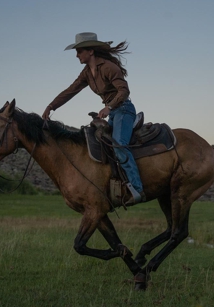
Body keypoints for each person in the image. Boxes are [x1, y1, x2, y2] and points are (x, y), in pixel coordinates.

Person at [42, 32, 145, 204]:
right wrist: (51, 106)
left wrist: (108, 106)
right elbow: (70, 90)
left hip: (123, 109)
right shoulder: (86, 73)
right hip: (113, 113)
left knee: (118, 145)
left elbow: (124, 91)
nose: (77, 55)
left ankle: (137, 188)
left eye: (79, 51)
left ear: (90, 51)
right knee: (101, 146)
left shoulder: (108, 67)